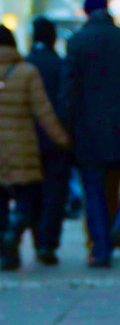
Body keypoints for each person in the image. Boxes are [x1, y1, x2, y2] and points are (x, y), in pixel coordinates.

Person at [65, 0, 120, 269]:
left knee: (95, 192)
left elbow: (69, 92)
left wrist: (68, 131)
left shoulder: (77, 43)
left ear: (86, 12)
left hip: (90, 132)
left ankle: (100, 250)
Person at [0, 23, 70, 270]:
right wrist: (62, 139)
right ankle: (17, 226)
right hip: (23, 146)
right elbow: (44, 112)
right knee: (28, 196)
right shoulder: (26, 71)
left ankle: (7, 255)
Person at [27, 17, 72, 264]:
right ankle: (48, 243)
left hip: (27, 141)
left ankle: (36, 239)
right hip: (56, 141)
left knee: (33, 194)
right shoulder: (59, 65)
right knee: (55, 194)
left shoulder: (24, 65)